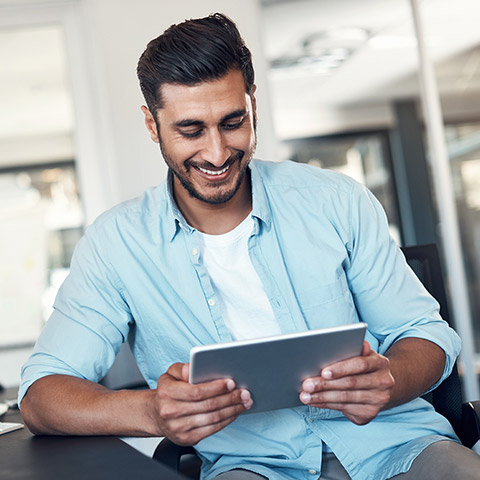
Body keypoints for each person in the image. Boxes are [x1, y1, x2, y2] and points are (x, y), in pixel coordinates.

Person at [18, 13, 480, 480]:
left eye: (232, 122)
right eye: (191, 130)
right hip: (251, 466)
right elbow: (40, 395)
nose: (217, 153)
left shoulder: (336, 200)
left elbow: (429, 335)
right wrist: (153, 412)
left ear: (253, 107)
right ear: (153, 126)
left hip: (398, 444)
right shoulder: (115, 244)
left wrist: (390, 378)